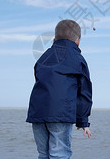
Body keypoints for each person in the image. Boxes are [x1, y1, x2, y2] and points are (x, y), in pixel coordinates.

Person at [26, 19, 93, 159]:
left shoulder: (43, 58)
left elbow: (39, 79)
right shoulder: (78, 59)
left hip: (37, 113)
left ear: (54, 39)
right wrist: (83, 121)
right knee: (60, 154)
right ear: (78, 41)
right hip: (60, 114)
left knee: (43, 154)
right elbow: (84, 92)